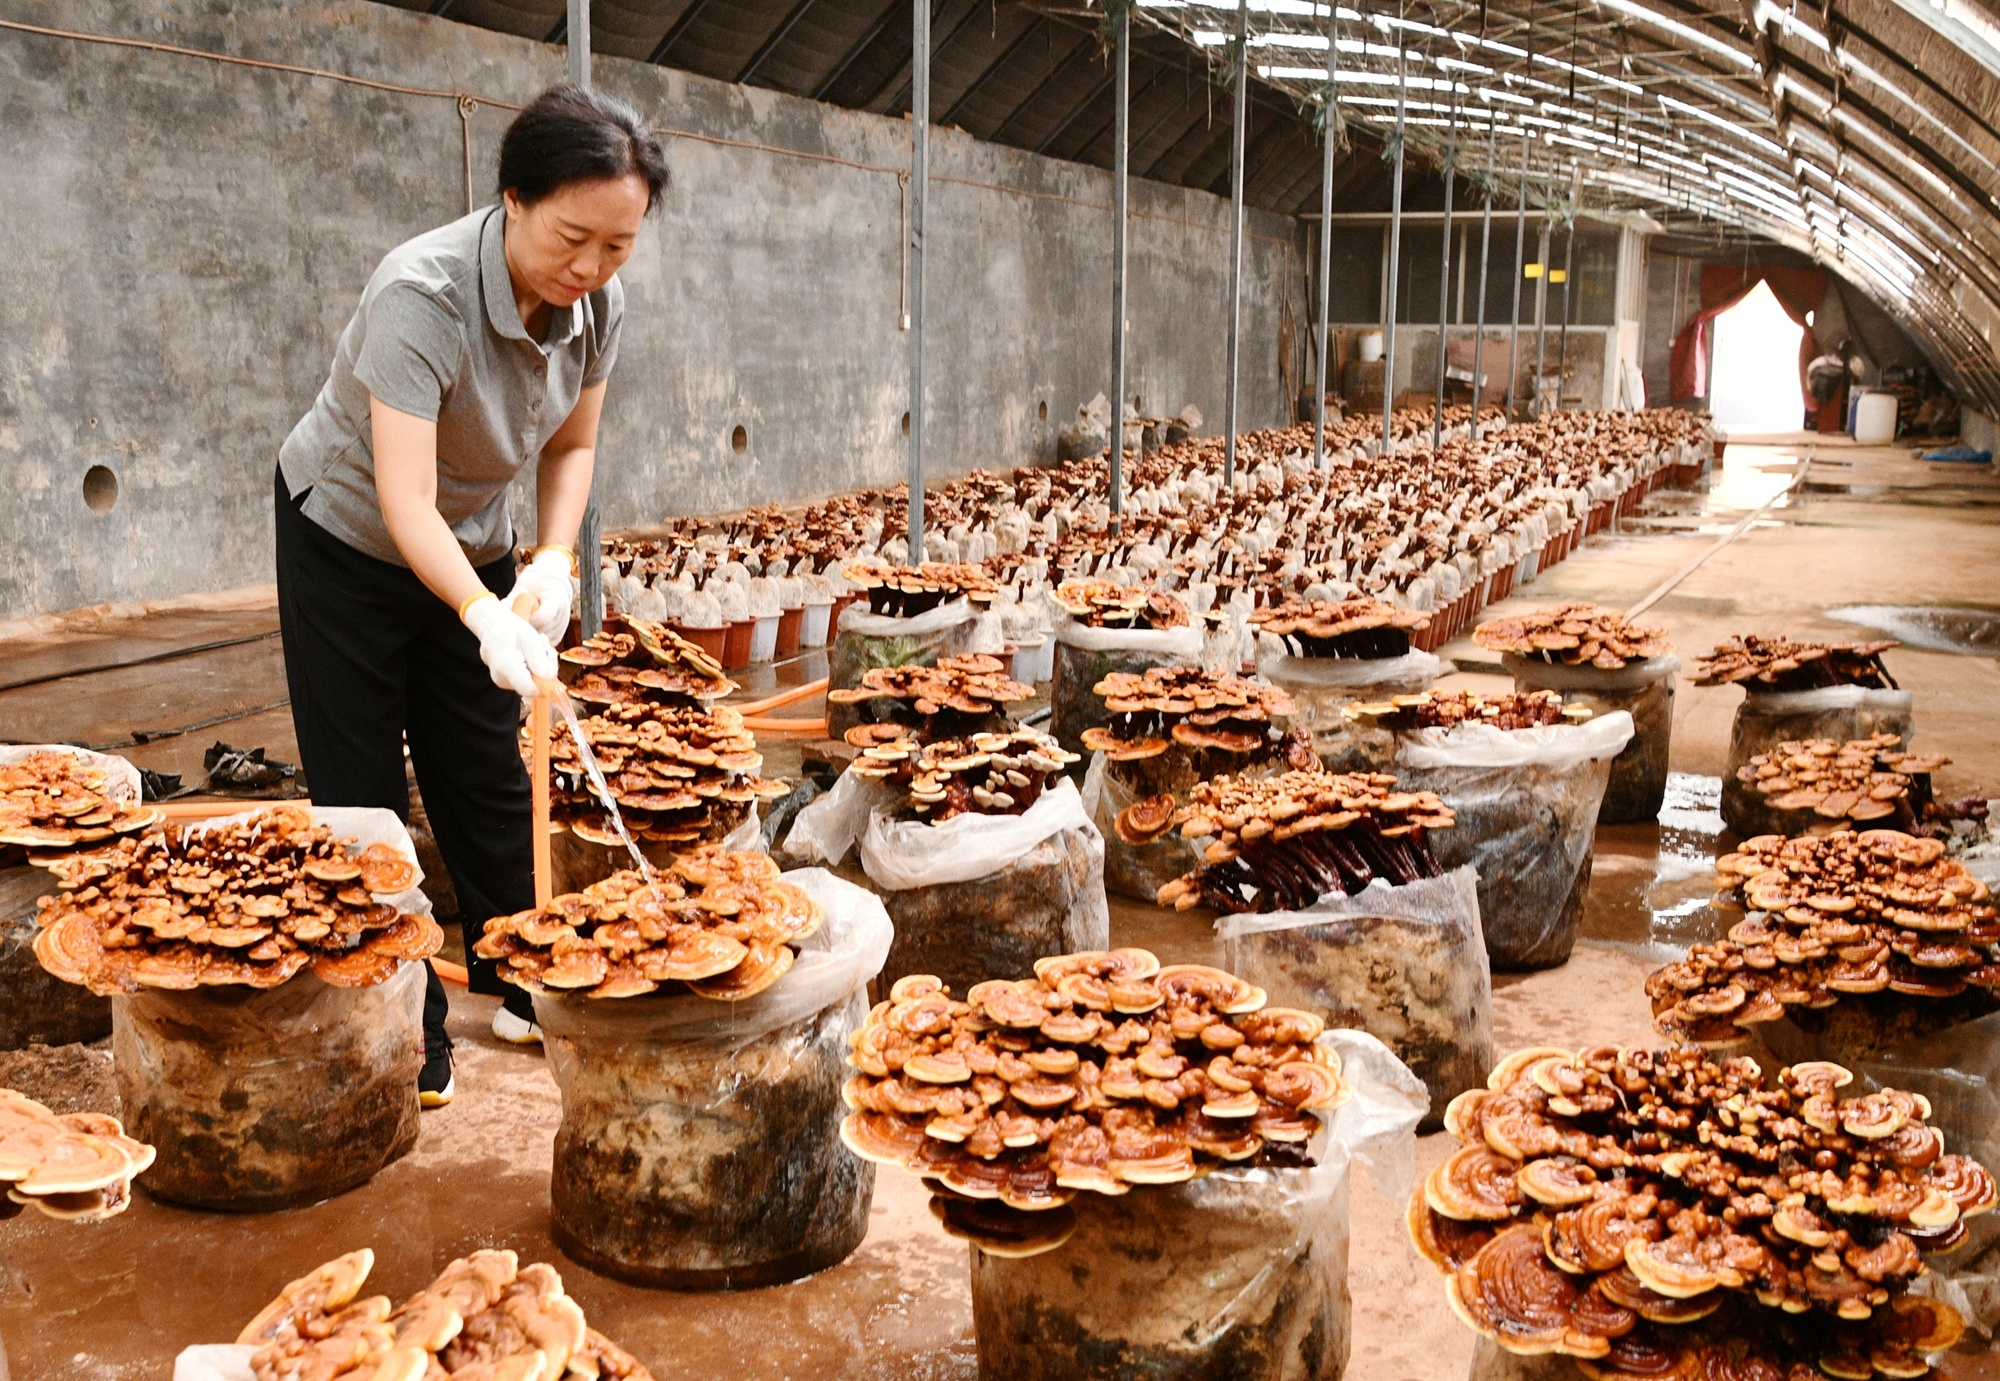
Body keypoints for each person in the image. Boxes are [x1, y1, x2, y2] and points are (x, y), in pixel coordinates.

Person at [273, 85, 668, 1106]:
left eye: (617, 247)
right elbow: (404, 500)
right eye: (572, 237)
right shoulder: (424, 290)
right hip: (353, 534)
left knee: (487, 770)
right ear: (513, 198)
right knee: (363, 790)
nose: (589, 268)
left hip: (482, 535)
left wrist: (549, 560)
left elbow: (574, 442)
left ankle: (520, 977)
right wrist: (480, 613)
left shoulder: (597, 305)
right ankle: (407, 1028)